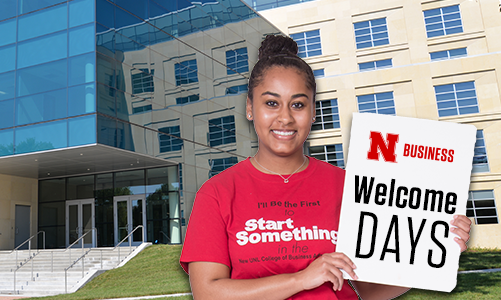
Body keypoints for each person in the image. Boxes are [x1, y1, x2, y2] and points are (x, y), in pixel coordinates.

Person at [179, 35, 472, 300]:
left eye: (298, 105)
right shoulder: (217, 193)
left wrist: (437, 253)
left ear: (313, 111)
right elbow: (208, 292)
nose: (285, 118)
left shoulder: (348, 185)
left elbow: (368, 290)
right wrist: (301, 279)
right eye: (271, 103)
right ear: (249, 108)